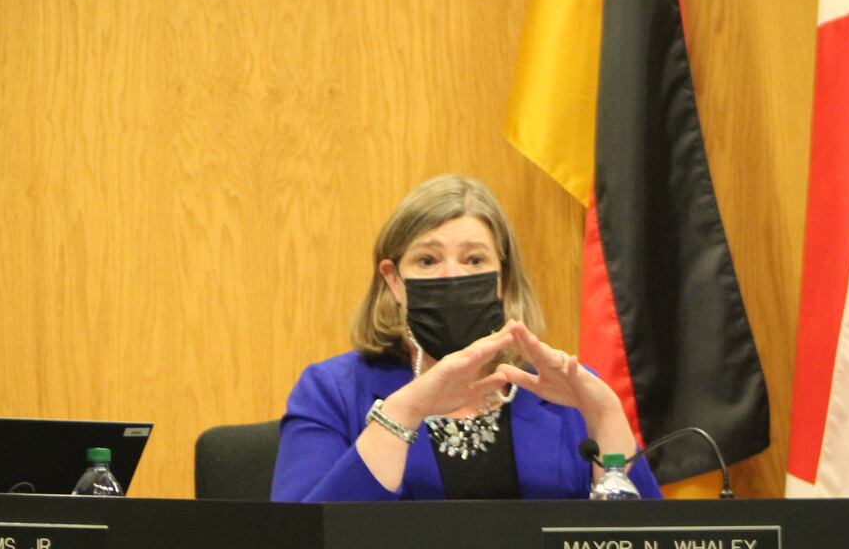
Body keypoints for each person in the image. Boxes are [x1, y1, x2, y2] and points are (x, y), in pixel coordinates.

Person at [271, 175, 661, 502]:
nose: (451, 277)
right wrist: (404, 412)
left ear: (501, 281)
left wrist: (605, 415)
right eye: (428, 260)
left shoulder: (563, 391)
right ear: (394, 281)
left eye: (474, 260)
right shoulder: (331, 391)